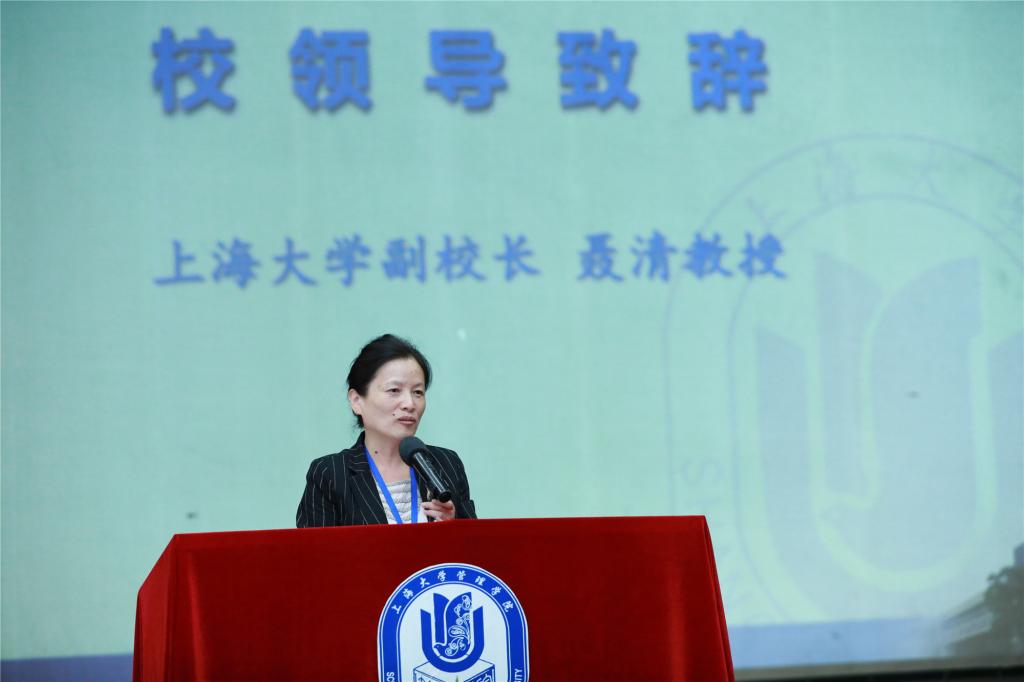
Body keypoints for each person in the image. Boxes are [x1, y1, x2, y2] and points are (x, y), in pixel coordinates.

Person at [296, 334, 476, 527]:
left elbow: (476, 544)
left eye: (418, 392)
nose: (409, 404)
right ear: (356, 401)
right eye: (394, 390)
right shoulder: (330, 474)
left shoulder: (447, 464)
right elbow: (315, 547)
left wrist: (453, 525)